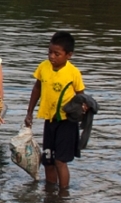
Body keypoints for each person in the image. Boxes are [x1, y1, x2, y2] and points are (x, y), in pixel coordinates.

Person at [24, 31, 86, 191]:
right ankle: (50, 192)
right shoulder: (44, 67)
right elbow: (37, 88)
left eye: (57, 54)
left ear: (68, 55)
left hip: (66, 123)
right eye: (50, 52)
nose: (52, 56)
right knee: (49, 160)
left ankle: (63, 194)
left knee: (60, 160)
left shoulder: (73, 73)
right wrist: (29, 112)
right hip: (49, 121)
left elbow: (81, 96)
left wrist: (84, 108)